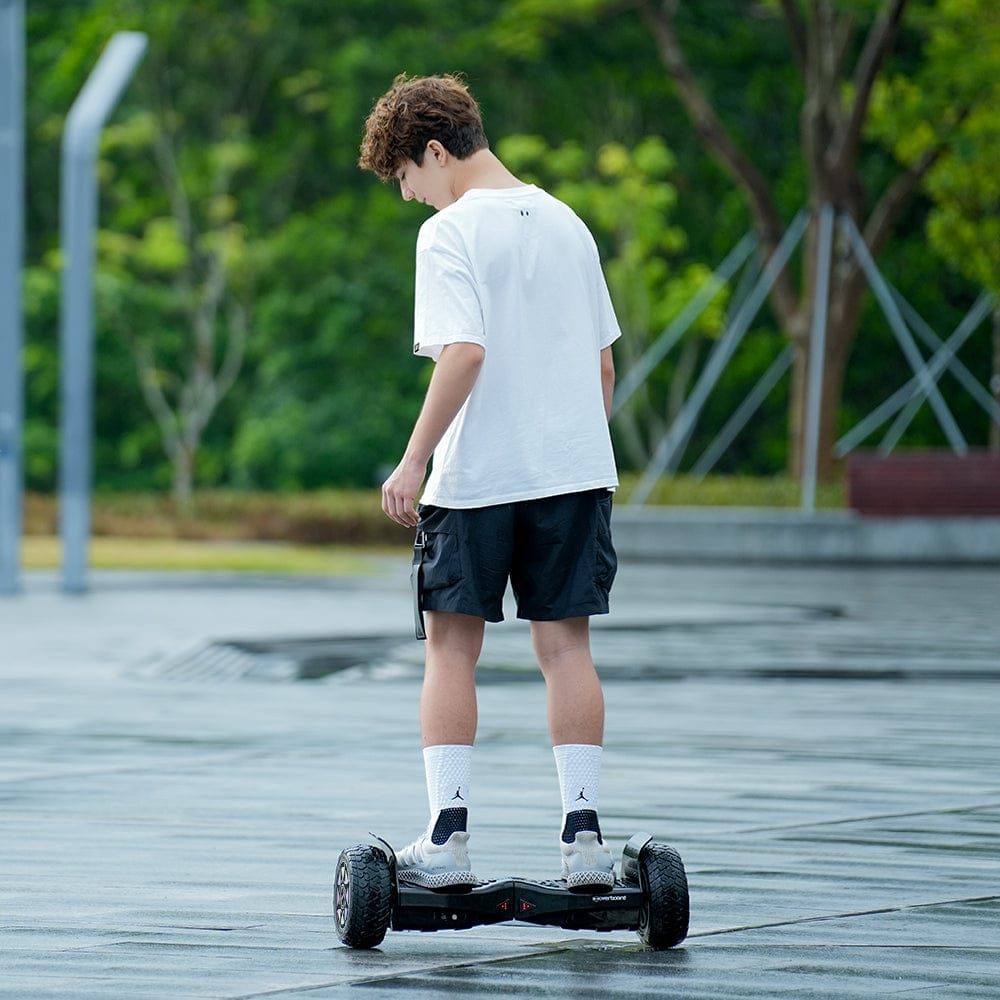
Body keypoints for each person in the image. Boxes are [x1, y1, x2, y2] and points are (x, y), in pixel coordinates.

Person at [358, 73, 621, 891]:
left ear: (434, 152)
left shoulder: (449, 234)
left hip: (476, 480)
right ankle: (584, 841)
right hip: (573, 473)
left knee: (451, 649)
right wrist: (571, 446)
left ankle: (447, 837)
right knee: (565, 646)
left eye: (407, 179)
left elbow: (463, 353)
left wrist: (411, 461)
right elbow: (603, 363)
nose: (411, 198)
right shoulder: (569, 222)